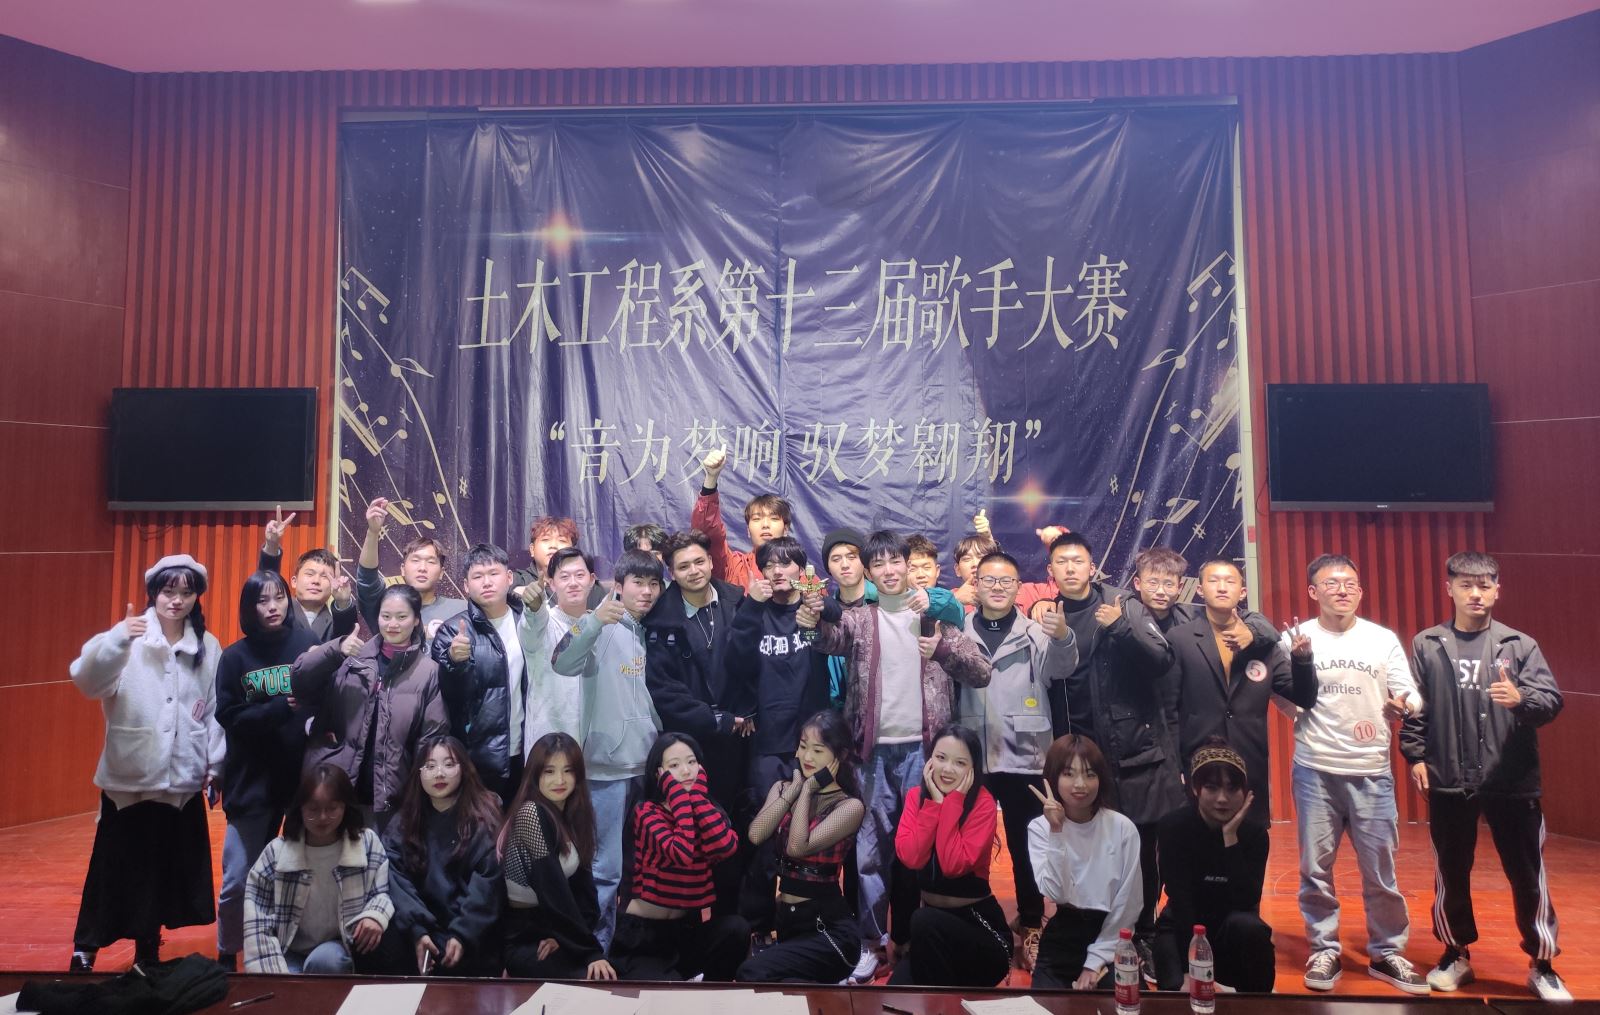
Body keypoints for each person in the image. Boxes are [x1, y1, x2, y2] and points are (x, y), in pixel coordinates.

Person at [811, 531, 992, 983]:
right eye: (880, 564)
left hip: (925, 756)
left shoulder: (934, 618)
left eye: (897, 561)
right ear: (869, 572)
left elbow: (981, 671)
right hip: (871, 755)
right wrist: (810, 615)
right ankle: (871, 943)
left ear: (909, 566)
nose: (889, 570)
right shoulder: (860, 619)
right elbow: (827, 639)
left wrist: (942, 649)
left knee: (921, 852)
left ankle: (915, 940)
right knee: (869, 854)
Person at [1401, 551, 1570, 1001]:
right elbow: (1416, 705)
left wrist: (1521, 700)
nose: (1475, 594)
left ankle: (1543, 963)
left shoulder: (1520, 645)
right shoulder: (1427, 644)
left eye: (1484, 585)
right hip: (1449, 777)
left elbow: (1551, 702)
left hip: (1511, 780)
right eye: (1466, 585)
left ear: (1497, 590)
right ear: (1449, 589)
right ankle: (1455, 953)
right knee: (1451, 871)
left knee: (1528, 875)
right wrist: (1415, 755)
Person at [68, 555, 224, 972]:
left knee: (161, 872)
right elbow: (87, 681)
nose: (176, 600)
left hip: (181, 782)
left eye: (186, 592)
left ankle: (147, 949)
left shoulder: (207, 645)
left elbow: (213, 710)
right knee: (111, 869)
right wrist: (118, 639)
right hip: (129, 779)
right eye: (168, 591)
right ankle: (85, 948)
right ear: (153, 592)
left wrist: (215, 764)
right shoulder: (128, 636)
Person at [1283, 554, 1427, 994]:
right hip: (1314, 770)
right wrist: (1301, 719)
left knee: (1381, 870)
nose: (1342, 589)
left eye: (1350, 583)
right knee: (1315, 869)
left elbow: (1410, 692)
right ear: (1314, 592)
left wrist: (1405, 706)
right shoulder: (1297, 637)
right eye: (1331, 583)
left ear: (1360, 591)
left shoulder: (1381, 639)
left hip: (1371, 771)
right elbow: (1281, 691)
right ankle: (1323, 948)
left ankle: (1387, 952)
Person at [958, 550, 1077, 970]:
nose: (997, 587)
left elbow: (1061, 668)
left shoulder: (1036, 632)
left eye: (1006, 581)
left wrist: (1062, 636)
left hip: (1025, 754)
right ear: (975, 584)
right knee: (970, 845)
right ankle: (973, 921)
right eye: (988, 579)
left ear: (1017, 587)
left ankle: (1030, 923)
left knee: (1027, 846)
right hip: (973, 755)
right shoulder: (959, 631)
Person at [552, 550, 666, 952]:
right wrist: (594, 622)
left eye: (653, 584)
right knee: (605, 868)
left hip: (644, 766)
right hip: (606, 768)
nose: (646, 591)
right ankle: (592, 952)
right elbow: (562, 662)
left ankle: (622, 950)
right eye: (638, 583)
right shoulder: (599, 623)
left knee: (637, 867)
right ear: (618, 586)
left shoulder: (642, 629)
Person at [727, 538, 836, 939]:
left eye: (786, 563)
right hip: (766, 742)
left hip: (812, 744)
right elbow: (734, 662)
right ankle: (758, 927)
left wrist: (818, 601)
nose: (777, 571)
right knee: (763, 835)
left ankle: (807, 925)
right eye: (770, 564)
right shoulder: (752, 608)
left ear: (801, 570)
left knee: (811, 835)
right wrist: (751, 608)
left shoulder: (813, 608)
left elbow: (840, 616)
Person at [213, 569, 320, 970]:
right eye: (262, 600)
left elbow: (325, 697)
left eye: (279, 598)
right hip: (251, 782)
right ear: (249, 607)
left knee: (298, 873)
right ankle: (228, 952)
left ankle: (288, 947)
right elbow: (228, 716)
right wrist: (276, 710)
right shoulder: (234, 657)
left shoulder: (306, 644)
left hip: (299, 779)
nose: (272, 607)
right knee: (238, 877)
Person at [1169, 557, 1318, 824]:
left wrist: (1303, 661)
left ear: (1243, 592)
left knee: (1250, 841)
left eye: (1230, 581)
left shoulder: (1264, 644)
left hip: (1249, 761)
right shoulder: (1180, 639)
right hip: (1198, 760)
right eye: (1214, 581)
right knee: (1197, 840)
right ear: (1200, 589)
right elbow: (1168, 708)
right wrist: (1175, 766)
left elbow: (1304, 698)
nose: (1222, 587)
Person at [292, 584, 449, 831]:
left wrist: (418, 792)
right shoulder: (352, 657)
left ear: (416, 620)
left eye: (402, 617)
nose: (392, 624)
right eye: (386, 616)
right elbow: (300, 682)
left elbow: (430, 738)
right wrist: (335, 649)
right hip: (338, 788)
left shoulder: (429, 672)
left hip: (392, 796)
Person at [737, 710, 866, 983]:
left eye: (818, 750)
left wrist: (806, 791)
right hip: (789, 923)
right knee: (787, 990)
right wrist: (794, 790)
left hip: (829, 930)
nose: (807, 757)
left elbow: (797, 847)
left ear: (840, 756)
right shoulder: (783, 788)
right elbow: (756, 835)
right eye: (803, 746)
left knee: (752, 973)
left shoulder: (849, 806)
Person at [609, 732, 749, 981]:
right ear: (658, 774)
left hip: (684, 931)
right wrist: (680, 797)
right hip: (641, 936)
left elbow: (726, 846)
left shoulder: (706, 810)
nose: (686, 771)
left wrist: (696, 799)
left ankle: (713, 994)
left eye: (692, 762)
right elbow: (680, 851)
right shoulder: (647, 812)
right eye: (674, 765)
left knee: (736, 929)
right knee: (670, 991)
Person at [888, 724, 1011, 987]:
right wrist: (934, 805)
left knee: (923, 920)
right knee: (896, 991)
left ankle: (944, 1001)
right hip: (932, 935)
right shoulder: (916, 797)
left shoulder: (983, 803)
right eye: (941, 758)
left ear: (973, 769)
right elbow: (911, 858)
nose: (947, 769)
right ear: (929, 759)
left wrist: (952, 803)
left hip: (980, 930)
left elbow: (953, 865)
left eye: (959, 763)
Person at [1152, 738, 1275, 992]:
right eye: (1211, 787)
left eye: (1232, 788)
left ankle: (1259, 1004)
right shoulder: (1173, 828)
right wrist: (1189, 971)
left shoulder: (1255, 834)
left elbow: (1247, 899)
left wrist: (1230, 839)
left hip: (1230, 927)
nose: (1222, 799)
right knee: (1177, 991)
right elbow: (1182, 900)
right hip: (1182, 926)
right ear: (1195, 789)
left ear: (1245, 791)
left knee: (1252, 931)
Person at [242, 765, 391, 974]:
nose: (322, 817)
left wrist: (375, 915)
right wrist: (273, 973)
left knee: (325, 962)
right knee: (282, 986)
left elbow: (382, 892)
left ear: (345, 807)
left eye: (332, 808)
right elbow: (257, 916)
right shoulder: (276, 853)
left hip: (337, 946)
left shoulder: (366, 843)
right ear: (300, 808)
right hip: (287, 949)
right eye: (313, 809)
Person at [380, 736, 504, 977]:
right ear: (419, 773)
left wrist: (462, 934)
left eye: (449, 764)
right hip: (420, 929)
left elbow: (487, 887)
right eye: (430, 766)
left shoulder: (484, 819)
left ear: (464, 769)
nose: (439, 773)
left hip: (470, 931)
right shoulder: (405, 820)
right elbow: (395, 878)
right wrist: (418, 931)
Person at [1026, 734, 1142, 990]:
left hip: (1112, 937)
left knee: (1129, 1003)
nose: (1080, 784)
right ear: (1054, 778)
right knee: (1044, 1006)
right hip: (1062, 937)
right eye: (1069, 774)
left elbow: (1128, 904)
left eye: (1090, 774)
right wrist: (1056, 831)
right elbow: (1057, 893)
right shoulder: (1040, 828)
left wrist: (1094, 961)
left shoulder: (1122, 828)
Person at [499, 732, 616, 981]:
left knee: (611, 976)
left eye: (568, 771)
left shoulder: (574, 815)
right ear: (534, 775)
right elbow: (552, 889)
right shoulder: (530, 813)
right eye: (549, 771)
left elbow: (585, 893)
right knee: (592, 979)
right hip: (525, 938)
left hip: (559, 932)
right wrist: (589, 952)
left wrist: (565, 939)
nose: (559, 780)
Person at [429, 543, 533, 802]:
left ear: (509, 577)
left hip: (528, 750)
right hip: (477, 756)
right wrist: (455, 662)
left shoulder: (530, 622)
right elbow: (447, 696)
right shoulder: (452, 631)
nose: (486, 582)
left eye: (493, 573)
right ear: (466, 585)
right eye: (477, 576)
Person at [354, 496, 467, 638]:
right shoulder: (385, 606)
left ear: (441, 573)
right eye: (415, 560)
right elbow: (367, 580)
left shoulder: (461, 610)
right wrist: (373, 532)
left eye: (431, 562)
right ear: (402, 569)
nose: (422, 568)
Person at [519, 547, 597, 746]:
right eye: (564, 577)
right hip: (548, 744)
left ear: (592, 580)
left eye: (580, 575)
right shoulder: (544, 623)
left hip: (593, 746)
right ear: (552, 584)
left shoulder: (598, 625)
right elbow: (533, 624)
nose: (573, 583)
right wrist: (533, 607)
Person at [691, 448, 791, 589]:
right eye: (757, 519)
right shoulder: (734, 567)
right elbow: (708, 534)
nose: (765, 524)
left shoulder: (802, 574)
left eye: (774, 518)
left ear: (786, 529)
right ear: (748, 531)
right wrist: (711, 479)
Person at [257, 507, 358, 642]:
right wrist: (272, 545)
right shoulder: (277, 611)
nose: (316, 581)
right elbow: (266, 582)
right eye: (310, 574)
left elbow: (344, 641)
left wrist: (343, 602)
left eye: (325, 576)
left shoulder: (336, 622)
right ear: (294, 581)